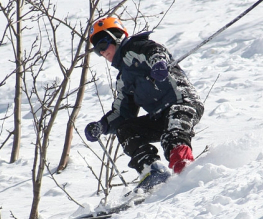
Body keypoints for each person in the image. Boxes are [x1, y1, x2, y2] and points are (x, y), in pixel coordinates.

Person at [84, 16, 204, 189]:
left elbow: (154, 50)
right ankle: (153, 172)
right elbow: (122, 113)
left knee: (174, 132)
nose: (102, 52)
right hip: (160, 116)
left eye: (102, 45)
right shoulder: (124, 79)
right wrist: (102, 126)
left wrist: (159, 63)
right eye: (97, 50)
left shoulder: (135, 48)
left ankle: (186, 174)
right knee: (126, 129)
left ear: (117, 38)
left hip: (182, 102)